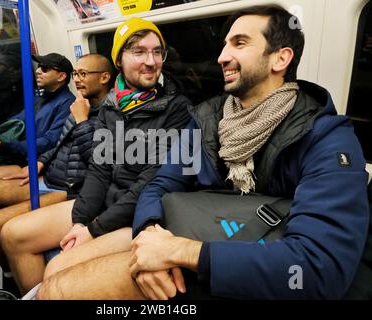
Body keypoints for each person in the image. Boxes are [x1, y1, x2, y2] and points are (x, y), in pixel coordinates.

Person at [34, 6, 370, 300]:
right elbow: (159, 184)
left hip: (239, 265)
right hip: (189, 235)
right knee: (57, 270)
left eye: (239, 43)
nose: (222, 56)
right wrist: (150, 238)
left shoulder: (326, 138)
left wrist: (183, 253)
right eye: (224, 45)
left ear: (280, 58)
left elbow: (317, 266)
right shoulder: (209, 120)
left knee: (57, 290)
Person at [0, 17, 192, 295]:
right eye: (138, 51)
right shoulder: (112, 106)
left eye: (156, 51)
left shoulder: (176, 109)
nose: (151, 61)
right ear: (119, 60)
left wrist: (93, 229)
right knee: (13, 235)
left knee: (58, 268)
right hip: (104, 201)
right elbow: (100, 169)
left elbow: (152, 183)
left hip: (139, 214)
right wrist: (81, 220)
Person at [0, 54, 112, 269]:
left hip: (69, 188)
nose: (77, 79)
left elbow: (99, 163)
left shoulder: (111, 114)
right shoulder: (79, 105)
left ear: (104, 78)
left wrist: (82, 121)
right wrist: (41, 163)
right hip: (48, 174)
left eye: (83, 74)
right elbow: (58, 144)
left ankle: (8, 271)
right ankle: (6, 263)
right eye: (76, 74)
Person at [0, 53, 75, 187]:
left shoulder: (67, 104)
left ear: (61, 76)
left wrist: (2, 147)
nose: (38, 71)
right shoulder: (40, 98)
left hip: (33, 161)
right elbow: (12, 124)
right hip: (16, 153)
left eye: (45, 68)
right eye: (39, 67)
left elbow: (49, 143)